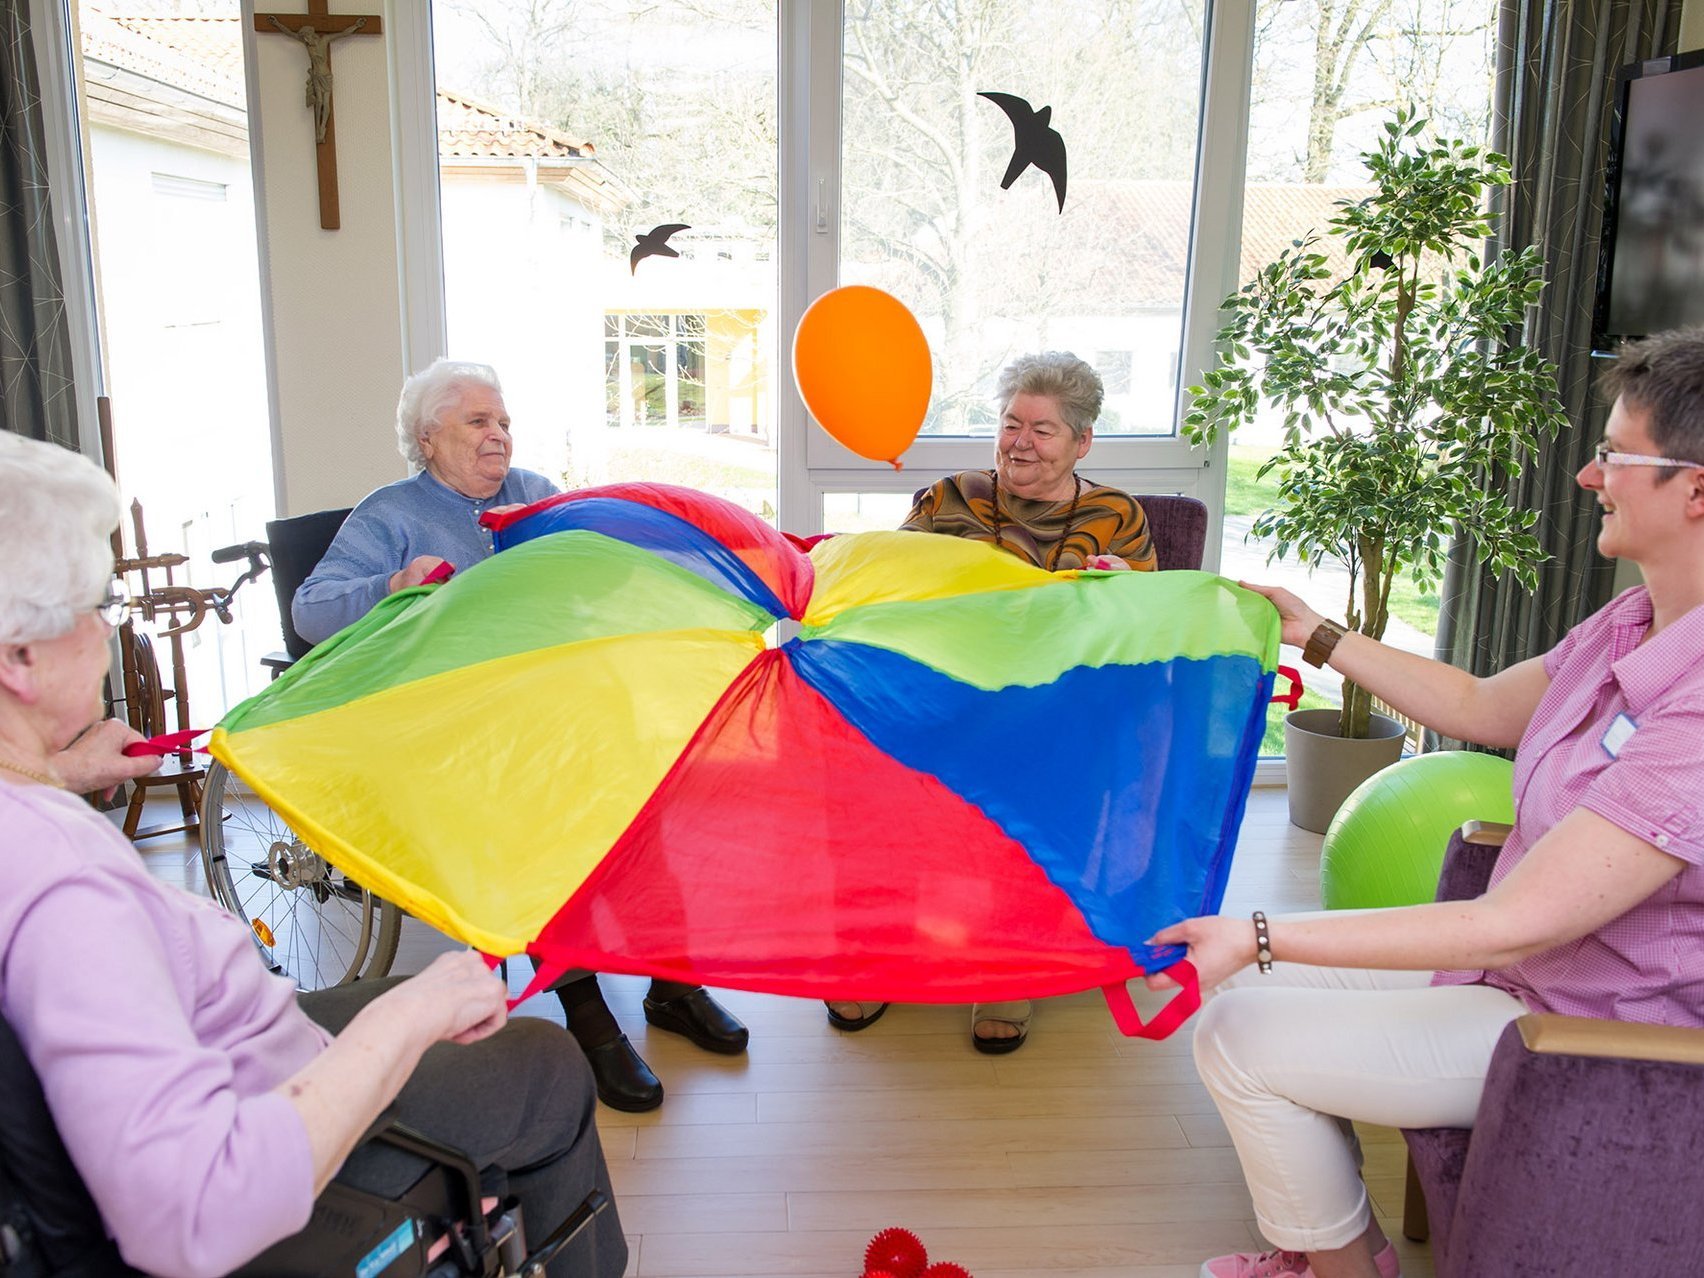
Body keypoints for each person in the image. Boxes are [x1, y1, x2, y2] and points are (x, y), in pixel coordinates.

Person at [0, 430, 626, 1278]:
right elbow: (192, 1212)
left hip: (240, 1038)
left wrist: (57, 767)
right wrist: (407, 1019)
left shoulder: (27, 816)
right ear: (21, 658)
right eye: (96, 609)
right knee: (542, 1066)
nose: (109, 635)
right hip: (254, 1112)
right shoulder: (68, 888)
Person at [1151, 326, 1704, 1278]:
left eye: (1614, 453)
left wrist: (1262, 929)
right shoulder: (1630, 620)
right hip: (1524, 978)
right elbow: (1480, 705)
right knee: (1239, 989)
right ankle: (1344, 1250)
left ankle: (1339, 1270)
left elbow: (1507, 925)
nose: (1587, 474)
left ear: (1696, 488)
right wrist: (1309, 630)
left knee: (1238, 1032)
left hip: (1587, 1037)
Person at [294, 357, 749, 1112]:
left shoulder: (534, 496)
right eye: (479, 421)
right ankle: (588, 1014)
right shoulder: (391, 514)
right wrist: (393, 585)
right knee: (536, 812)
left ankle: (672, 981)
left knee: (647, 778)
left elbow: (592, 574)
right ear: (428, 436)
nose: (499, 435)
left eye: (503, 421)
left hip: (551, 707)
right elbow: (312, 609)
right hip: (454, 729)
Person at [827, 350, 1160, 1052]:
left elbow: (1151, 630)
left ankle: (1007, 968)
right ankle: (880, 956)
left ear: (1081, 442)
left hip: (1055, 709)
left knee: (1038, 798)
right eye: (1012, 423)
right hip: (944, 696)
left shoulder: (1115, 515)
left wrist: (1128, 586)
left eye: (1042, 430)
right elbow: (888, 587)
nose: (1020, 443)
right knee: (883, 786)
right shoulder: (952, 497)